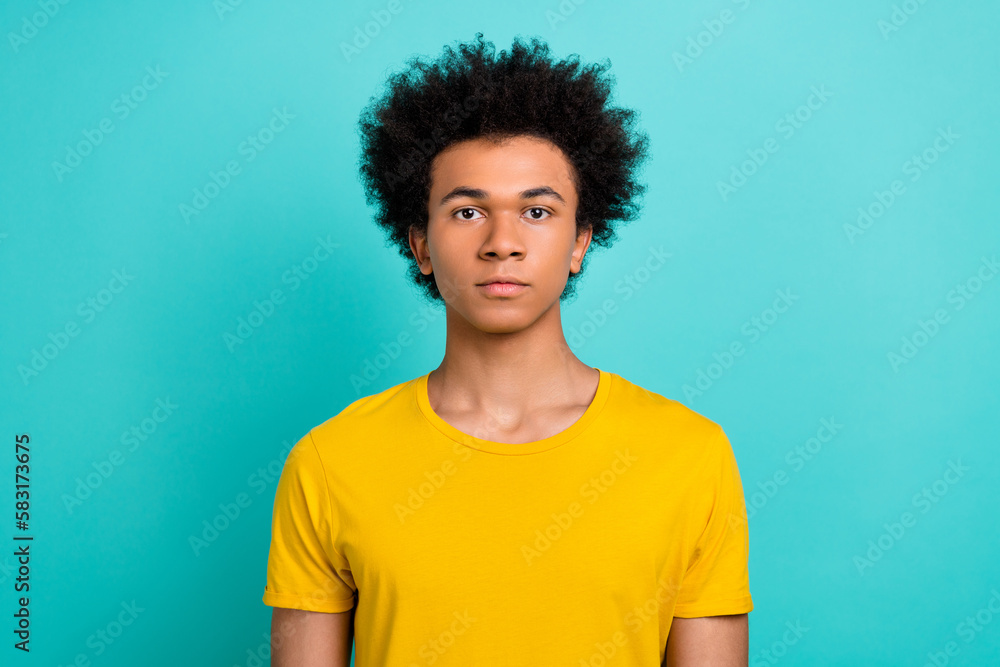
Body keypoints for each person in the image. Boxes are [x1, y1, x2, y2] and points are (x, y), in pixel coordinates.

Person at [262, 32, 753, 666]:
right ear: (419, 245)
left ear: (580, 242)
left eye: (538, 212)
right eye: (467, 212)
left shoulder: (689, 456)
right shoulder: (329, 463)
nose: (503, 242)